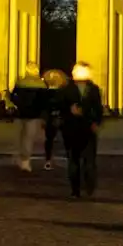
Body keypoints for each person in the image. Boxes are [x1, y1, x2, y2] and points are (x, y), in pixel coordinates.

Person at [60, 62, 103, 199]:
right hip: (71, 128)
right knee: (73, 160)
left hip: (88, 127)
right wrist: (68, 111)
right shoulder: (66, 89)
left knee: (89, 160)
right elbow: (59, 106)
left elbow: (98, 108)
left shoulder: (94, 89)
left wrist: (96, 122)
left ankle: (89, 185)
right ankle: (75, 189)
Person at [10, 63, 48, 172]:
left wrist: (19, 104)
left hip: (21, 113)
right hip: (34, 114)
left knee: (20, 137)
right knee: (29, 138)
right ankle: (25, 161)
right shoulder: (41, 84)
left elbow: (13, 97)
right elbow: (44, 101)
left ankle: (18, 157)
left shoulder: (20, 82)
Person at [41, 69, 67, 170]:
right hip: (60, 118)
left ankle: (48, 160)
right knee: (66, 139)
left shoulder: (45, 94)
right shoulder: (63, 93)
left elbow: (43, 108)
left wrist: (43, 119)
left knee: (49, 140)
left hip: (50, 119)